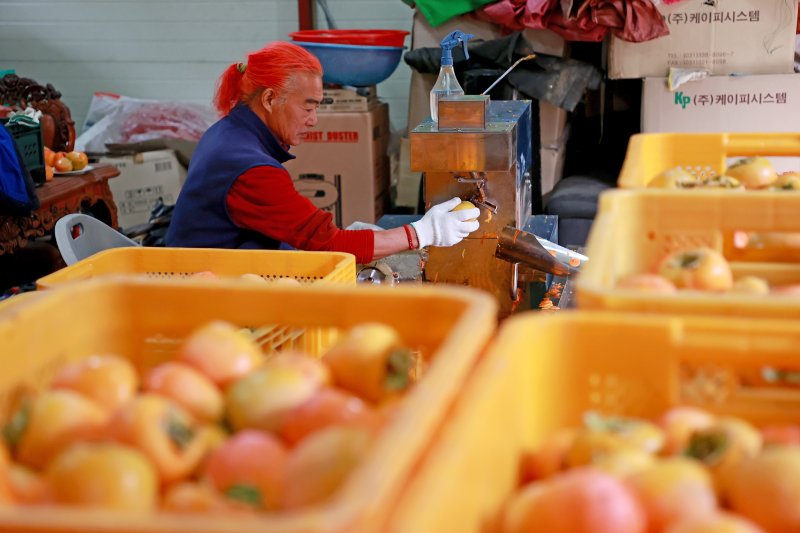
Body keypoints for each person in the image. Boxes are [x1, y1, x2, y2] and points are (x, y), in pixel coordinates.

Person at [166, 41, 479, 264]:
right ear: (271, 99)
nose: (313, 120)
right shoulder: (250, 168)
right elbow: (327, 243)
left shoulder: (228, 133)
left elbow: (295, 228)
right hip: (209, 289)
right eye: (308, 106)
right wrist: (424, 232)